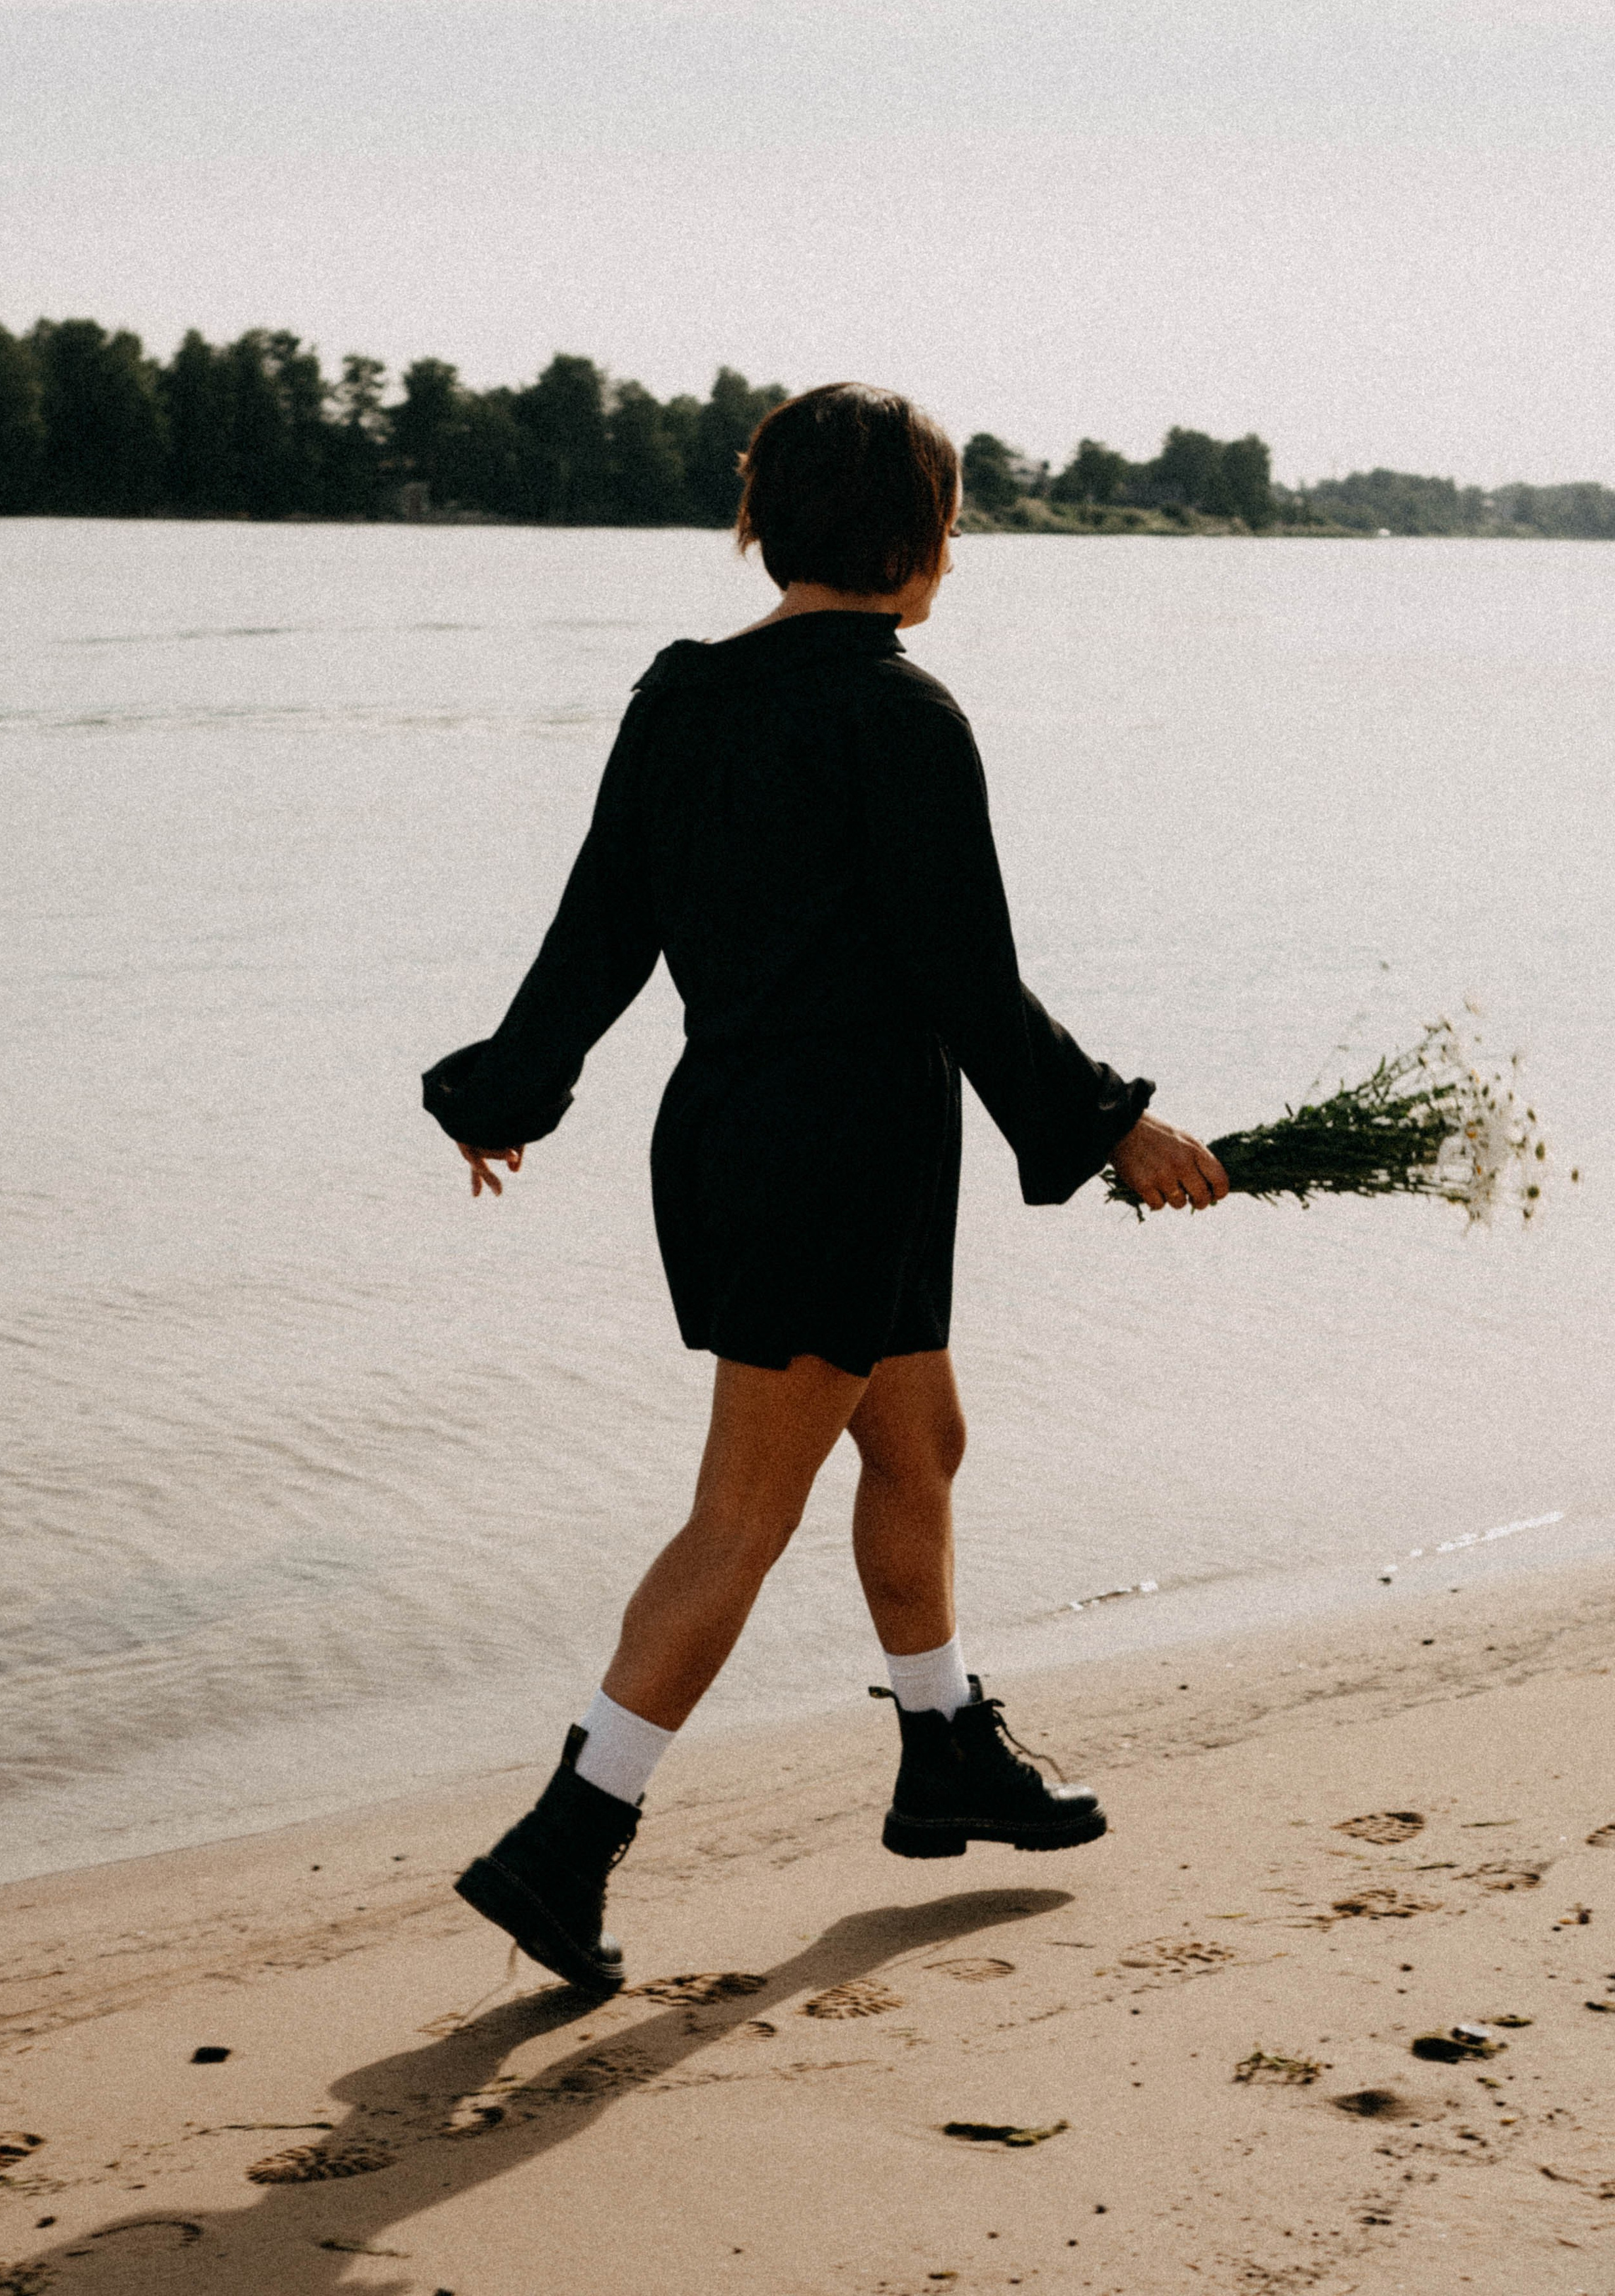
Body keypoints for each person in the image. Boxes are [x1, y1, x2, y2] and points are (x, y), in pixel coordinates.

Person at [422, 382, 1227, 1996]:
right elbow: (964, 977)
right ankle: (566, 1836)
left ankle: (943, 1750)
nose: (953, 556)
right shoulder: (897, 713)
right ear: (918, 536)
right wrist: (1112, 1126)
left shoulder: (681, 696)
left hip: (735, 1133)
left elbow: (600, 930)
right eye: (950, 526)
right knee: (744, 1513)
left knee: (918, 1439)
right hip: (841, 1156)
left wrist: (502, 1092)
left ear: (764, 524)